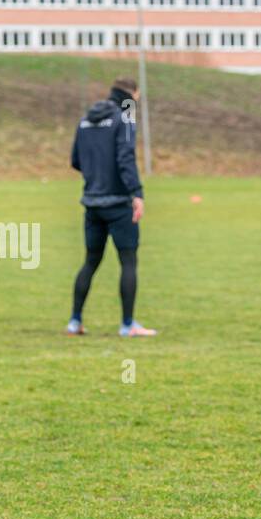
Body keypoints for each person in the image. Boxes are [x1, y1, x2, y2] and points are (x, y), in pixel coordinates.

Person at [66, 76, 156, 338]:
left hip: (92, 202)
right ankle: (128, 325)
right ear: (131, 95)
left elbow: (75, 160)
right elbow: (125, 157)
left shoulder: (85, 119)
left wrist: (96, 176)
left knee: (90, 261)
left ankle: (75, 321)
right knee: (128, 262)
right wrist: (136, 193)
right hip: (118, 202)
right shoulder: (124, 117)